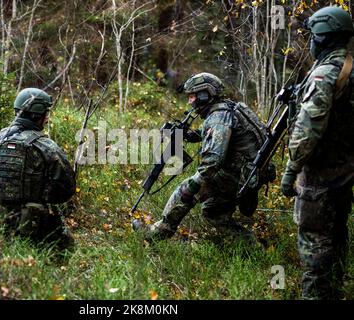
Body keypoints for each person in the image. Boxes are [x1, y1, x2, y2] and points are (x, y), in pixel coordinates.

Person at [134, 72, 275, 243]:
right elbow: (224, 135)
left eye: (192, 96)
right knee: (213, 211)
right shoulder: (229, 108)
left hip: (236, 175)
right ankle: (251, 244)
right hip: (249, 173)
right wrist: (195, 135)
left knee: (183, 190)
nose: (190, 101)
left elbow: (212, 163)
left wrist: (193, 187)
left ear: (204, 94)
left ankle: (157, 233)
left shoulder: (218, 118)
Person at [280, 6, 354, 299]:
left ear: (323, 36)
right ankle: (335, 290)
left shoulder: (324, 74)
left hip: (319, 176)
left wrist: (289, 172)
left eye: (312, 35)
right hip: (344, 172)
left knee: (314, 244)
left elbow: (307, 131)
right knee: (337, 235)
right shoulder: (349, 69)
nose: (310, 41)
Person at [0, 88, 76, 251]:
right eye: (46, 112)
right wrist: (41, 196)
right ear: (40, 115)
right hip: (35, 227)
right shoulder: (47, 147)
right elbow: (66, 190)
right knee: (66, 249)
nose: (47, 117)